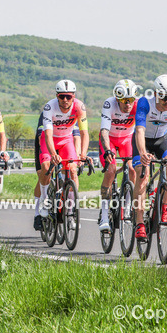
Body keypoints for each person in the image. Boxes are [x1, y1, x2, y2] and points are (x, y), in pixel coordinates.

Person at [131, 75, 167, 240]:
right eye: (164, 97)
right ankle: (140, 223)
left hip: (162, 140)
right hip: (142, 141)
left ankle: (164, 205)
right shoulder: (144, 103)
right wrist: (142, 152)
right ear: (156, 93)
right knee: (143, 173)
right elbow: (140, 130)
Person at [33, 80, 88, 231]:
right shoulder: (50, 107)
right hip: (49, 139)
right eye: (62, 96)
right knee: (46, 168)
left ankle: (70, 212)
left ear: (73, 96)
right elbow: (48, 135)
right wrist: (52, 154)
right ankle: (44, 200)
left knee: (72, 169)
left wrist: (83, 153)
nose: (65, 100)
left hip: (66, 140)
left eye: (68, 97)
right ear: (57, 96)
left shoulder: (79, 107)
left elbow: (84, 133)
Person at [98, 79, 140, 233]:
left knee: (133, 169)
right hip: (110, 139)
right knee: (110, 171)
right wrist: (108, 150)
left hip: (127, 139)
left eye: (131, 100)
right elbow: (104, 131)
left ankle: (127, 207)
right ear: (117, 99)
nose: (128, 104)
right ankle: (104, 216)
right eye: (124, 101)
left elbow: (142, 129)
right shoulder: (109, 104)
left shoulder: (138, 105)